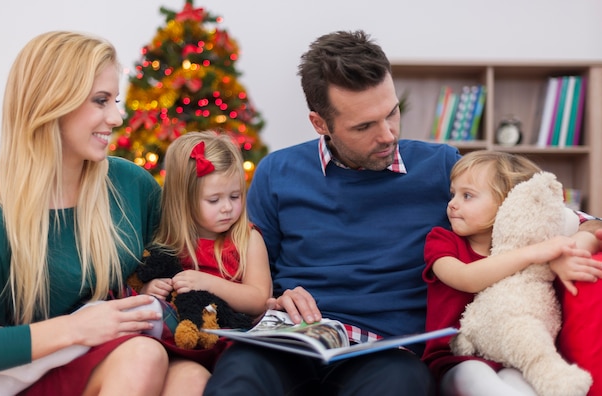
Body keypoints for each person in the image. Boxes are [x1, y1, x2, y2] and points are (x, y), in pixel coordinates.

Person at [203, 30, 602, 396]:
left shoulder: (444, 168)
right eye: (365, 126)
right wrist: (274, 299)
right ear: (319, 123)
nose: (389, 134)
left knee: (403, 384)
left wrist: (576, 244)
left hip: (387, 350)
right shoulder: (277, 172)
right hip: (294, 338)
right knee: (238, 375)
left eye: (392, 112)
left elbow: (569, 217)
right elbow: (247, 275)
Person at [0, 31, 210, 396]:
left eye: (114, 100)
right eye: (101, 101)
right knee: (143, 357)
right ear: (52, 103)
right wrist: (78, 328)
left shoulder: (131, 184)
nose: (116, 117)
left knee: (192, 379)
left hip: (116, 353)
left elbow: (194, 260)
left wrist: (262, 295)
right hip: (33, 372)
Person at [421, 150, 602, 396]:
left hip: (512, 355)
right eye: (454, 194)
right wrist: (537, 254)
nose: (453, 203)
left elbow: (593, 226)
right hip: (455, 357)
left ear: (508, 201)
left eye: (467, 196)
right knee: (476, 376)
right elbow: (466, 278)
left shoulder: (527, 239)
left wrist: (565, 254)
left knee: (523, 384)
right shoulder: (442, 240)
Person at [141, 131, 271, 327]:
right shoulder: (169, 241)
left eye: (235, 196)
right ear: (184, 201)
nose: (227, 207)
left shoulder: (247, 238)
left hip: (232, 334)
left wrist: (209, 284)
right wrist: (149, 289)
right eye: (214, 200)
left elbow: (260, 300)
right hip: (182, 332)